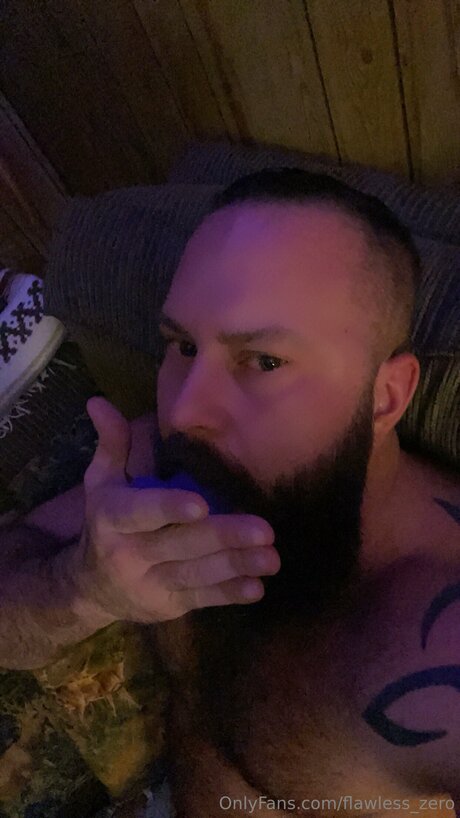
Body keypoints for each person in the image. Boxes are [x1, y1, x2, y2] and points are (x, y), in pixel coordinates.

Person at [2, 169, 459, 817]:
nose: (185, 410)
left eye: (264, 361)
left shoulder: (431, 640)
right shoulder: (172, 468)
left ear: (385, 398)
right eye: (183, 345)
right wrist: (80, 588)